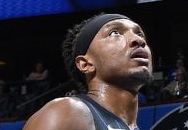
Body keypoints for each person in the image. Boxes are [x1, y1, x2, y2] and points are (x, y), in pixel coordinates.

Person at [22, 13, 152, 130]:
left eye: (139, 34)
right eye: (114, 33)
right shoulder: (68, 112)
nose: (139, 40)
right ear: (86, 64)